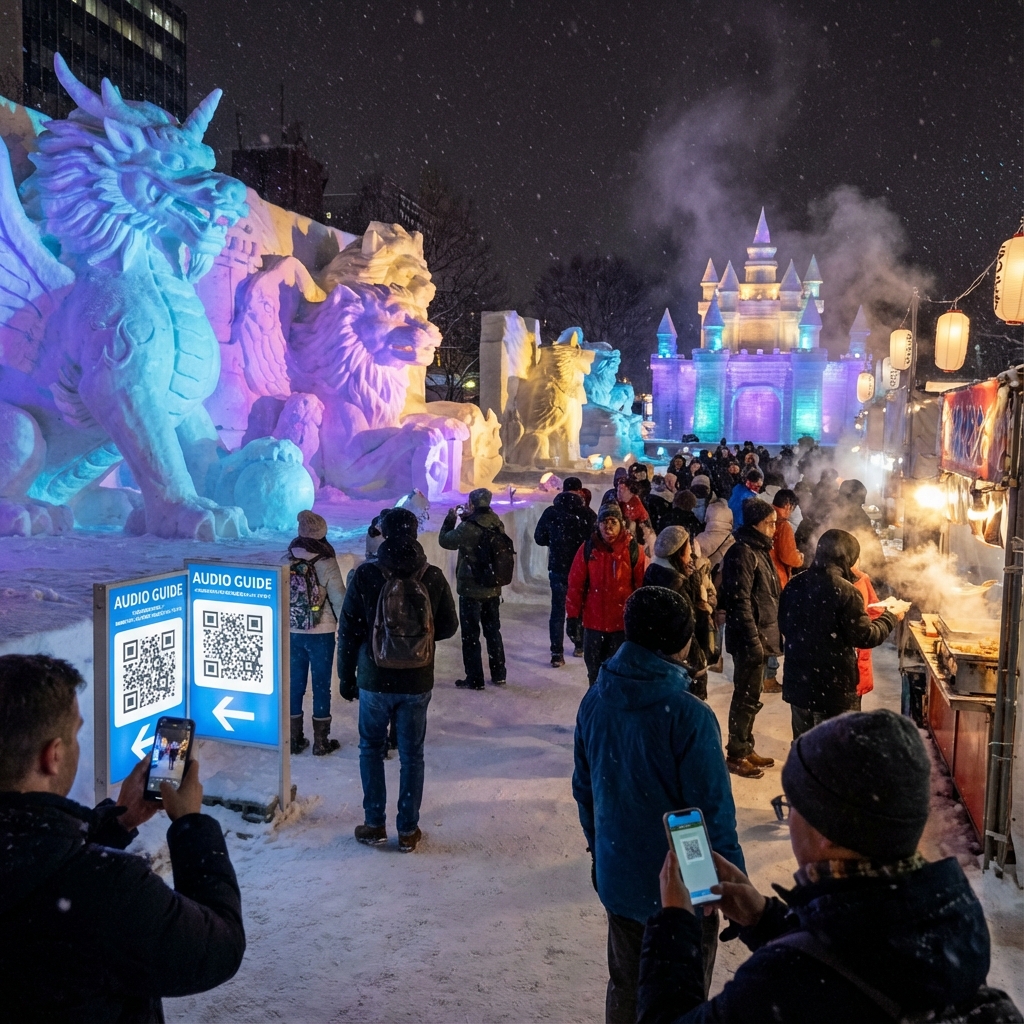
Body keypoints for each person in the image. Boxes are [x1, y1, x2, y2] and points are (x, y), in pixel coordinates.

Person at [636, 710, 1020, 1024]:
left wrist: (674, 925)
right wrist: (766, 920)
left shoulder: (782, 983)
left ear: (827, 835)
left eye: (794, 806)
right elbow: (859, 957)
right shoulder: (949, 917)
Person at [0, 655, 245, 1021]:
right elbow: (218, 947)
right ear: (53, 756)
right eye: (74, 734)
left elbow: (33, 856)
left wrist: (117, 824)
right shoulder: (108, 890)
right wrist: (191, 824)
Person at [573, 588, 744, 1024]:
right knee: (679, 998)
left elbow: (586, 791)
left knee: (628, 987)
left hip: (620, 877)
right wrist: (727, 888)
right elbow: (712, 814)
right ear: (679, 642)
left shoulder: (595, 699)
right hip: (685, 891)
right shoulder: (688, 715)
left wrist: (601, 853)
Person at [338, 532, 458, 851]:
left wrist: (346, 676)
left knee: (371, 749)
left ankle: (374, 823)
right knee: (412, 754)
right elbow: (449, 626)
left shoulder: (366, 574)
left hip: (374, 679)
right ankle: (407, 830)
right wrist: (417, 640)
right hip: (417, 681)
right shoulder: (431, 575)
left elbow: (348, 630)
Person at [778, 529, 900, 740]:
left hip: (799, 684)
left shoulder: (794, 584)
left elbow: (784, 626)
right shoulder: (846, 591)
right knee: (837, 753)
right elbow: (865, 636)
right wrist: (891, 616)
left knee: (803, 749)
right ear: (847, 557)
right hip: (833, 689)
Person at [719, 498, 780, 778]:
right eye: (770, 523)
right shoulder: (742, 552)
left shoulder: (759, 549)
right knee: (744, 695)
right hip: (748, 636)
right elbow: (740, 601)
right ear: (756, 523)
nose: (774, 528)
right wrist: (753, 639)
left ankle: (745, 744)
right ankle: (736, 752)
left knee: (752, 695)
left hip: (759, 634)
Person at [565, 502, 647, 686]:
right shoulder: (588, 549)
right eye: (604, 521)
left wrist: (640, 621)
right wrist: (572, 617)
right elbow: (575, 585)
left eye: (613, 521)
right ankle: (597, 710)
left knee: (618, 675)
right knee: (594, 675)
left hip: (621, 627)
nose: (608, 526)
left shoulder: (634, 550)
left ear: (621, 524)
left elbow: (641, 590)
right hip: (594, 625)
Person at [286, 510, 346, 755]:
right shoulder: (326, 562)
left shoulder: (287, 559)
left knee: (295, 684)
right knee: (321, 685)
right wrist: (347, 627)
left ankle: (294, 738)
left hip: (292, 630)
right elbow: (339, 598)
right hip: (321, 631)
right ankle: (321, 742)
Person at [439, 488, 509, 688]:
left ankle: (475, 678)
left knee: (471, 636)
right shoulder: (496, 522)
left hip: (471, 588)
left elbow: (446, 541)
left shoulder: (469, 527)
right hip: (492, 587)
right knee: (493, 632)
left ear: (471, 503)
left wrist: (451, 519)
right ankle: (499, 673)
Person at [643, 526, 716, 699]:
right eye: (687, 552)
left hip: (659, 665)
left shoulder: (655, 575)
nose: (690, 557)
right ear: (677, 555)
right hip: (679, 667)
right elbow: (688, 632)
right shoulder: (675, 587)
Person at [534, 477, 596, 666]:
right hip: (581, 570)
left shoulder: (552, 512)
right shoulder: (587, 514)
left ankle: (556, 653)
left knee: (558, 611)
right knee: (581, 607)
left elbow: (539, 537)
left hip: (558, 567)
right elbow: (594, 541)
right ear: (579, 491)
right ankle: (579, 643)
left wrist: (555, 543)